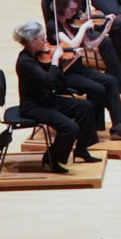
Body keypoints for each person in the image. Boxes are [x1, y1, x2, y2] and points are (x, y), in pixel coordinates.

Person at [12, 20, 101, 174]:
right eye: (42, 39)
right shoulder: (25, 62)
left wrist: (70, 59)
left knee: (85, 107)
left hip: (47, 99)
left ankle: (81, 149)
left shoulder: (38, 55)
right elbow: (49, 81)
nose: (46, 41)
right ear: (32, 41)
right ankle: (51, 157)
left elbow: (57, 82)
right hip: (34, 106)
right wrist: (55, 60)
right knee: (70, 128)